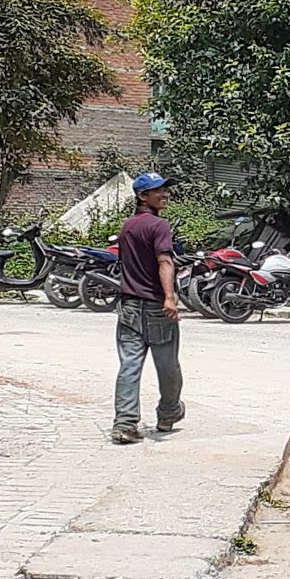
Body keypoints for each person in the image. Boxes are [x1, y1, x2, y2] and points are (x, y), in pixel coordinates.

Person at [112, 173, 185, 443]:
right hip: (156, 307)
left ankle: (125, 425)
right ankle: (168, 413)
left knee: (129, 365)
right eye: (158, 191)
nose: (164, 194)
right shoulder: (159, 225)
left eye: (165, 189)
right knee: (167, 365)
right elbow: (164, 261)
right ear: (142, 196)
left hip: (129, 306)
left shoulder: (127, 226)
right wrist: (169, 298)